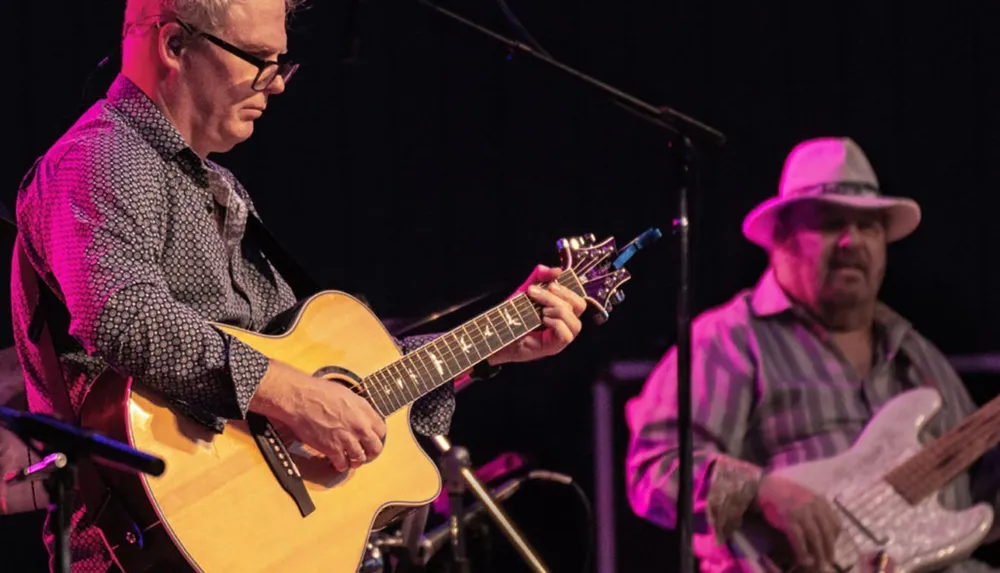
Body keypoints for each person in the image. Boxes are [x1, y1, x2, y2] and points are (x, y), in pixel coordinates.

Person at [8, 0, 588, 571]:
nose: (278, 84)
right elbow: (125, 317)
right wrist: (294, 396)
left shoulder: (219, 187)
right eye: (259, 59)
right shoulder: (101, 159)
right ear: (174, 46)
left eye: (281, 63)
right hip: (145, 545)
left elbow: (340, 386)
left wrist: (491, 347)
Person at [624, 136, 1000, 572]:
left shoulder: (917, 354)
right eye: (829, 223)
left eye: (868, 227)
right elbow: (655, 468)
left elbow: (981, 492)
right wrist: (763, 491)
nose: (850, 241)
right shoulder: (727, 340)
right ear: (780, 237)